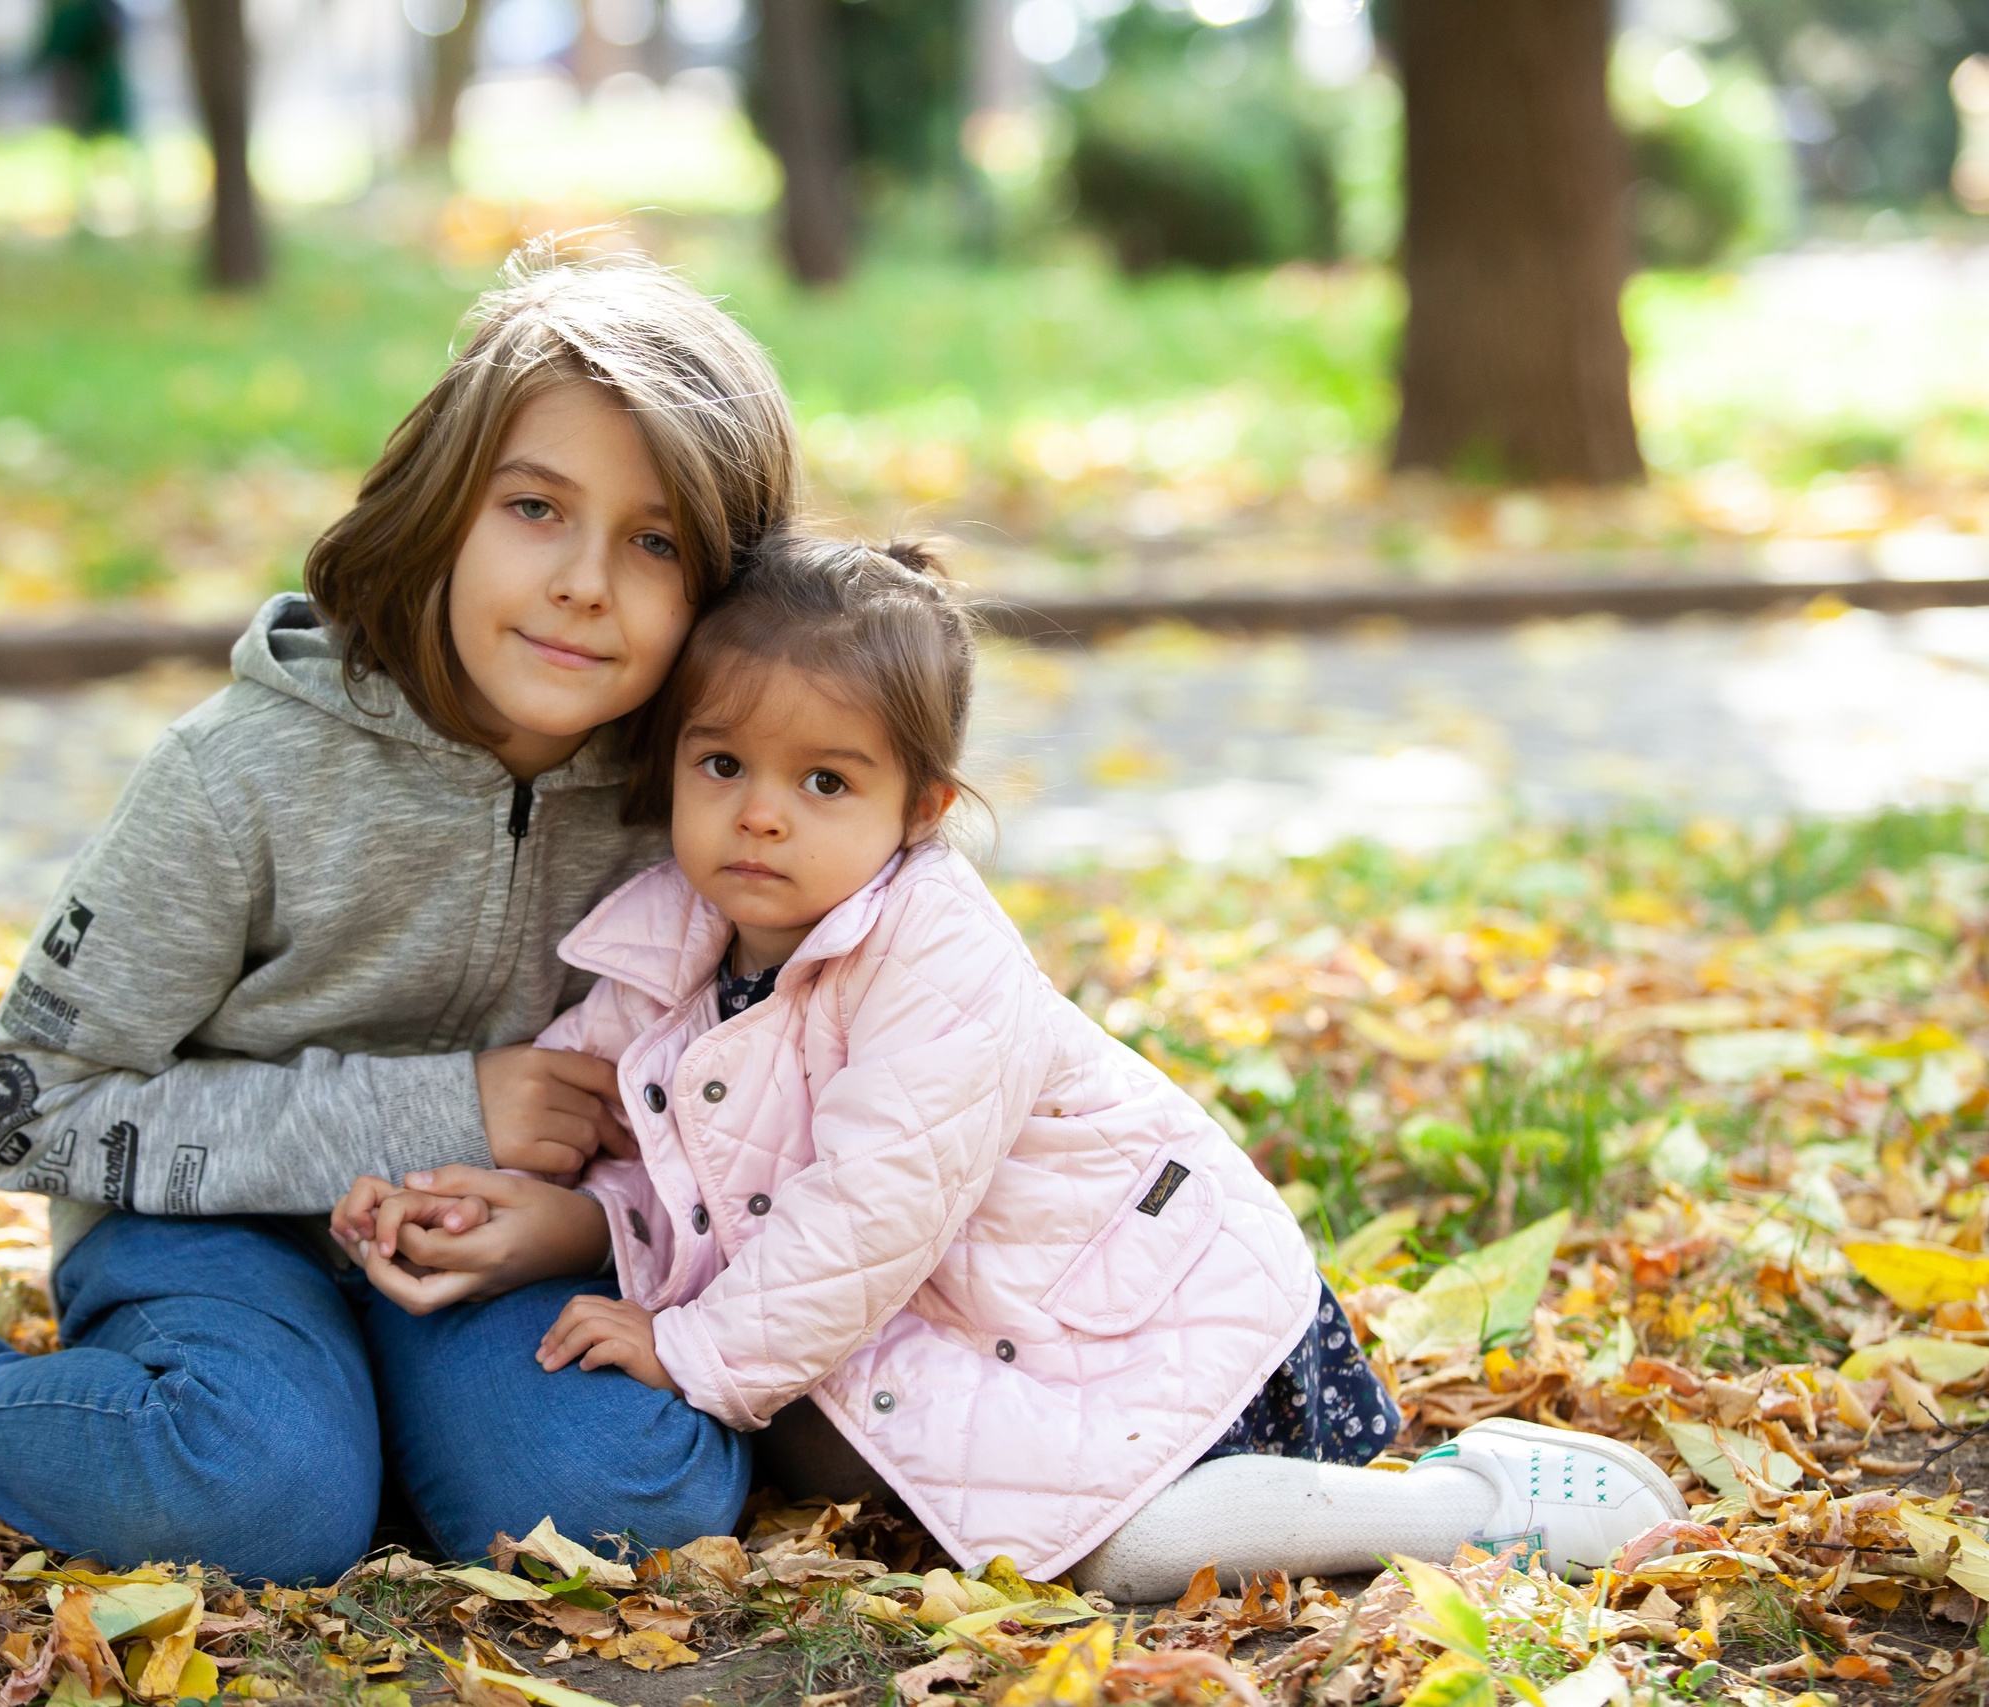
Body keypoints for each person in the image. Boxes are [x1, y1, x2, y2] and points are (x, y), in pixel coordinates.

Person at [0, 245, 802, 1585]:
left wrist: (578, 1222)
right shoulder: (241, 776)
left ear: (723, 587)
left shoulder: (704, 792)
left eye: (656, 541)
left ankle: (361, 1424)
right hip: (206, 1231)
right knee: (254, 1496)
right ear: (445, 507)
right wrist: (443, 1107)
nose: (583, 582)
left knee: (630, 1506)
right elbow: (23, 1108)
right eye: (535, 509)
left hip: (507, 1239)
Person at [330, 533, 1685, 1598]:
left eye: (825, 783)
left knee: (1115, 1557)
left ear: (920, 811)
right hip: (962, 1330)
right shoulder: (676, 935)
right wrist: (464, 1193)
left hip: (1131, 1322)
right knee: (857, 1455)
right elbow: (624, 1132)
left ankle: (1464, 1507)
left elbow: (865, 1214)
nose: (759, 814)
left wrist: (688, 1351)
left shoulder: (938, 962)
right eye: (724, 763)